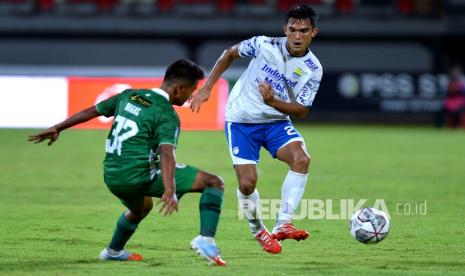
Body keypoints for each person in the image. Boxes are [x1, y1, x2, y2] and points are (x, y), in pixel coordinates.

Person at [28, 59, 227, 266]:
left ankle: (113, 251)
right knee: (213, 182)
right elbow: (167, 153)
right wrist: (170, 189)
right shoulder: (166, 114)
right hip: (137, 176)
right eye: (192, 90)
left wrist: (58, 127)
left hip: (112, 176)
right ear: (179, 88)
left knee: (141, 208)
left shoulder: (129, 95)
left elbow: (91, 111)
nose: (191, 96)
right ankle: (206, 240)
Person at [190, 5, 323, 254]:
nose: (296, 36)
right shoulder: (262, 44)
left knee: (301, 159)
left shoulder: (313, 69)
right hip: (241, 120)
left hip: (275, 122)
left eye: (303, 31)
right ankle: (258, 230)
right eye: (292, 30)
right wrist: (207, 87)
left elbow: (302, 110)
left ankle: (283, 223)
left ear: (313, 32)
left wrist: (273, 103)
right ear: (285, 29)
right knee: (248, 183)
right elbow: (229, 54)